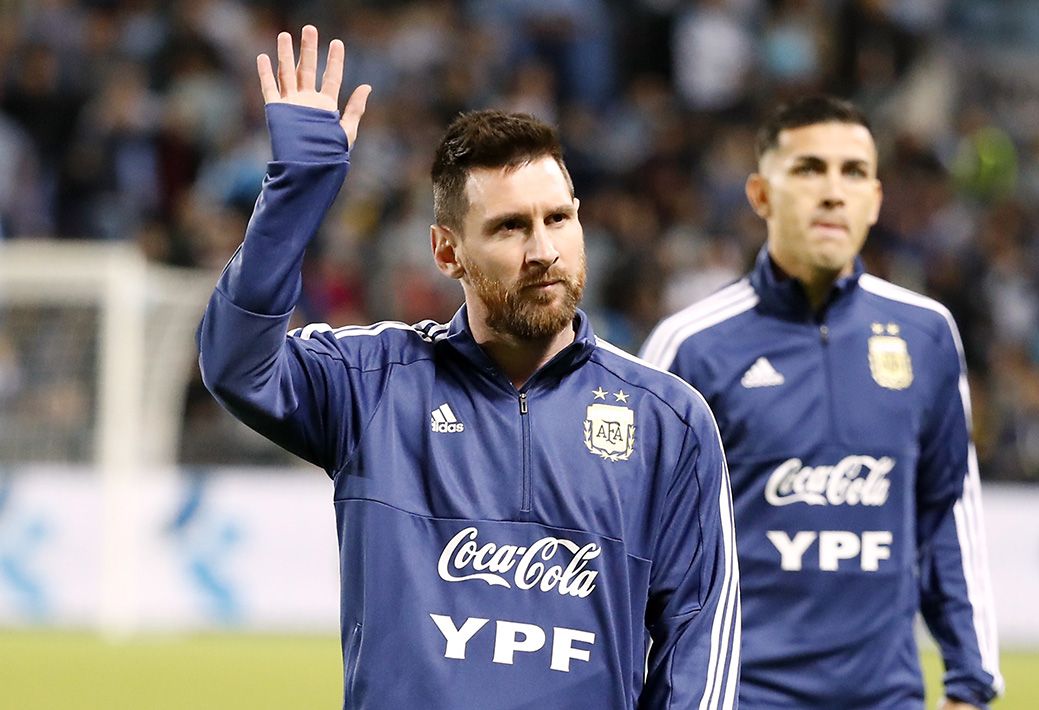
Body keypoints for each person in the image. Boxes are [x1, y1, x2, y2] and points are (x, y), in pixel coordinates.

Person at [197, 26, 740, 709]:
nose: (543, 248)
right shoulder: (374, 383)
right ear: (447, 252)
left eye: (559, 219)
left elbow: (698, 647)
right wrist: (294, 196)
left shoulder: (670, 421)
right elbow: (236, 366)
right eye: (510, 227)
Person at [641, 96, 1002, 709]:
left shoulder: (927, 333)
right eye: (809, 169)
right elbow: (639, 544)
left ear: (876, 199)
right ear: (760, 194)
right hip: (742, 697)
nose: (834, 192)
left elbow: (947, 512)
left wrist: (971, 682)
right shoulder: (691, 347)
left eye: (853, 172)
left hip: (886, 698)